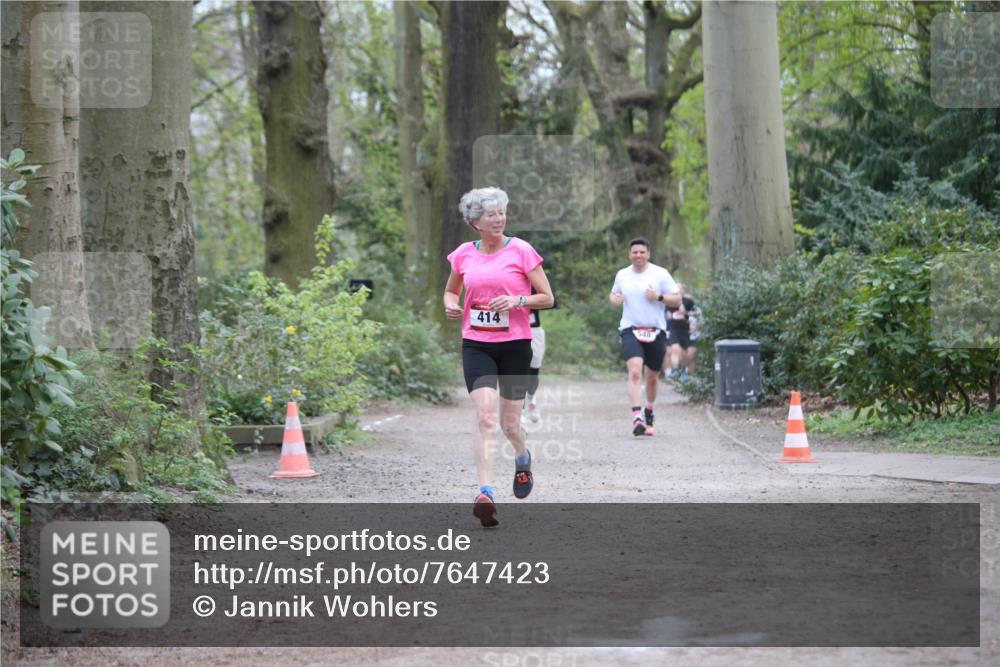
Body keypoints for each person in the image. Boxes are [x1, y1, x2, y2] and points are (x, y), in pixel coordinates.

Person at [444, 187, 554, 528]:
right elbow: (451, 289)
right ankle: (485, 493)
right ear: (475, 222)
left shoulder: (521, 250)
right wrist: (449, 303)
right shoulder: (463, 254)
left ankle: (522, 458)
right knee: (486, 418)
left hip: (515, 345)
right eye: (491, 214)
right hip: (476, 345)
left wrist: (517, 301)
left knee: (509, 424)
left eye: (502, 212)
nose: (498, 218)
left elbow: (547, 297)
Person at [609, 238, 681, 437]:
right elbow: (613, 295)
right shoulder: (622, 274)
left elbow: (677, 299)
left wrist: (658, 297)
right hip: (630, 329)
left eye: (642, 252)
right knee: (634, 372)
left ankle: (648, 408)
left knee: (651, 377)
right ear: (629, 255)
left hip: (656, 330)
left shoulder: (660, 274)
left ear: (648, 254)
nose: (638, 255)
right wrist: (616, 299)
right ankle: (636, 417)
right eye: (635, 252)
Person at [522, 286, 555, 425]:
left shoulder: (534, 279)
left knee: (533, 371)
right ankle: (519, 411)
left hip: (533, 329)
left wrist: (523, 300)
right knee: (516, 370)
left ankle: (531, 398)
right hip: (512, 329)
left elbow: (551, 301)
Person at [666, 283, 698, 378]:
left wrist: (686, 312)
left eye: (679, 289)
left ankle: (682, 370)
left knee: (684, 354)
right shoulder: (670, 301)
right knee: (675, 349)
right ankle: (674, 370)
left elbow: (697, 312)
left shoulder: (688, 301)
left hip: (685, 329)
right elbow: (666, 311)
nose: (677, 291)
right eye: (675, 289)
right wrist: (669, 315)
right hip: (674, 329)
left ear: (683, 291)